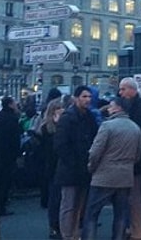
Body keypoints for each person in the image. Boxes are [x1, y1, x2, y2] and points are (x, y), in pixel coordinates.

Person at [82, 97, 141, 240]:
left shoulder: (107, 126)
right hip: (125, 175)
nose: (108, 108)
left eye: (111, 106)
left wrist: (91, 167)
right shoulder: (136, 128)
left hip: (104, 175)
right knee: (121, 214)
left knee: (92, 214)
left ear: (118, 108)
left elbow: (95, 151)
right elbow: (137, 155)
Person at [54, 86, 98, 240]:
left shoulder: (89, 117)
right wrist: (73, 162)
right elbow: (60, 144)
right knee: (69, 205)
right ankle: (67, 235)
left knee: (79, 205)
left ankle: (74, 234)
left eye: (89, 97)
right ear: (76, 98)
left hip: (83, 166)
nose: (88, 100)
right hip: (71, 168)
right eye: (84, 96)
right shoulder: (68, 118)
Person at [119, 77, 141, 240]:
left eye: (123, 89)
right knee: (132, 197)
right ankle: (133, 227)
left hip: (135, 159)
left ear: (133, 90)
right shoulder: (137, 107)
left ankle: (136, 229)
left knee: (134, 197)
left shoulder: (139, 109)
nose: (121, 93)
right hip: (134, 159)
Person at [39, 97, 67, 239]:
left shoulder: (65, 125)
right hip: (52, 165)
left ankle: (62, 225)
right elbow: (50, 147)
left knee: (64, 198)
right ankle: (53, 225)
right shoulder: (46, 128)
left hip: (62, 164)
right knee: (55, 198)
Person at [0, 95, 22, 216]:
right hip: (9, 154)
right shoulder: (13, 118)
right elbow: (15, 138)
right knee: (5, 181)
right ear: (10, 104)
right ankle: (1, 206)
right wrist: (17, 153)